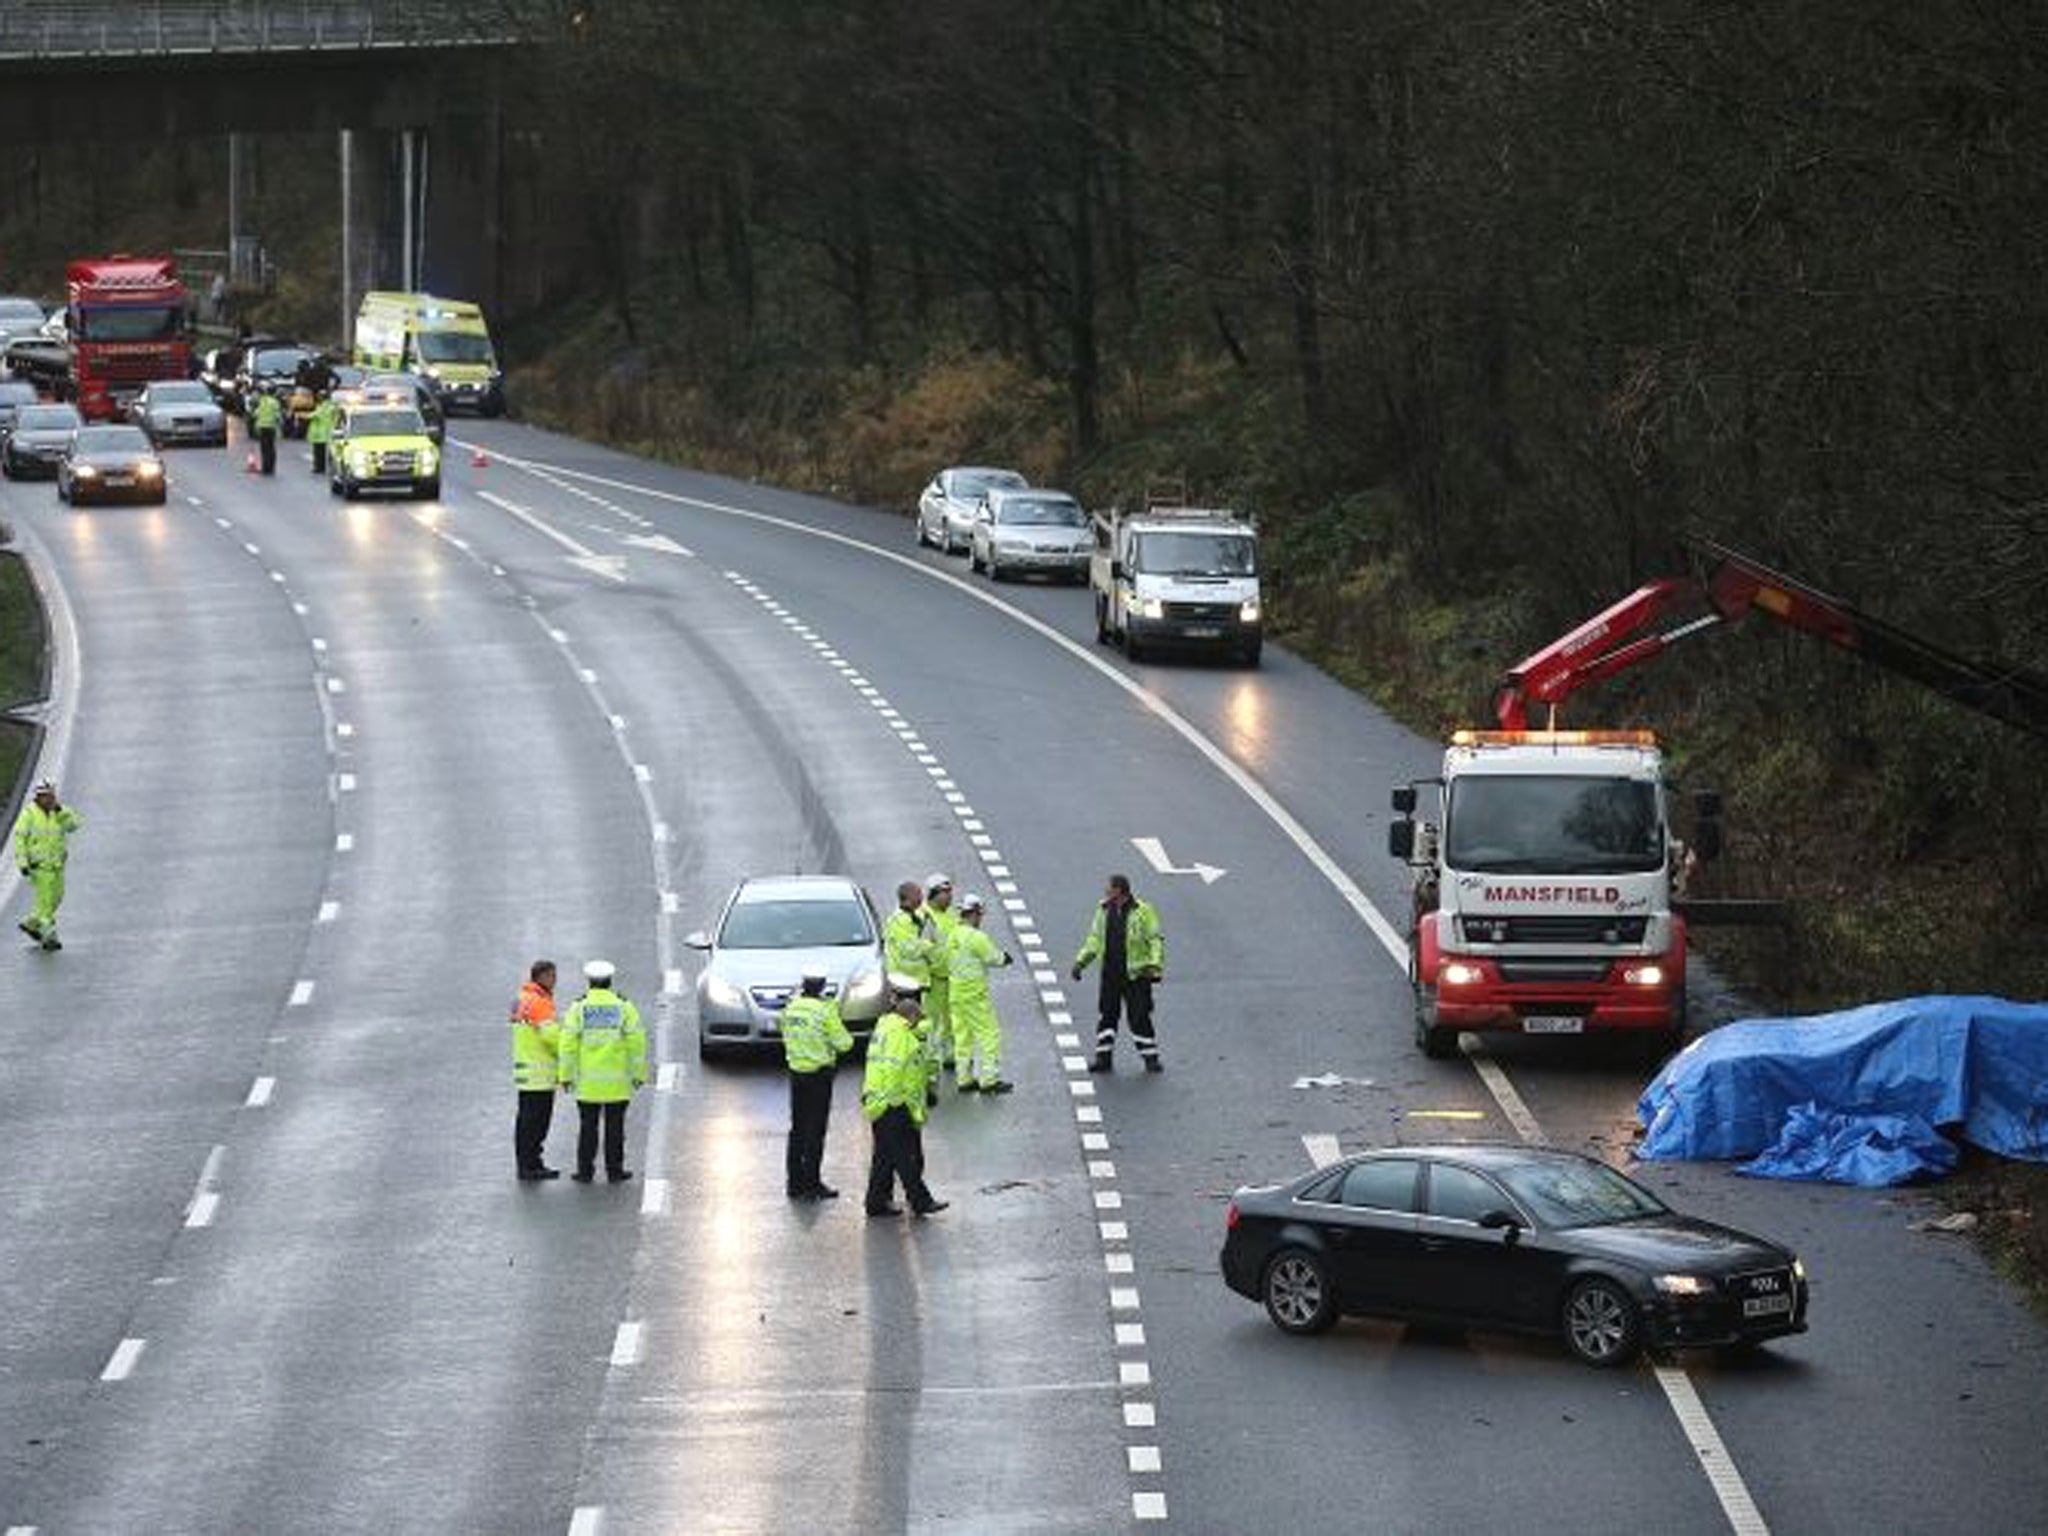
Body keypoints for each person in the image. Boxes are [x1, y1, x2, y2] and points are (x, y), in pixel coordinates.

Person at [862, 975, 947, 1218]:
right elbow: (896, 1070)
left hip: (880, 1101)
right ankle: (921, 1201)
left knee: (884, 1157)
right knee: (906, 1158)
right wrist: (900, 1104)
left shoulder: (887, 1026)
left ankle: (876, 1202)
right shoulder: (901, 1035)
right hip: (893, 1103)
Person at [558, 959, 646, 1183]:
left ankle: (585, 1171)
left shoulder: (579, 1007)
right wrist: (638, 1075)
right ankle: (615, 1171)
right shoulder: (624, 1006)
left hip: (588, 1084)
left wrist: (565, 1076)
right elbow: (637, 1043)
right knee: (615, 1128)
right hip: (617, 1084)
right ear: (610, 981)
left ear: (589, 981)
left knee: (588, 1128)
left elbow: (567, 1044)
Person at [1072, 873, 1166, 1073]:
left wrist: (1154, 965)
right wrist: (1081, 962)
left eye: (1109, 888)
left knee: (1139, 1016)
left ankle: (1150, 1058)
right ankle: (1103, 1058)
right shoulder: (1103, 909)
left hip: (1136, 975)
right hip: (1110, 974)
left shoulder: (1143, 911)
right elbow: (1095, 939)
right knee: (1107, 1015)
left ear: (1119, 890)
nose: (1105, 891)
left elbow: (1155, 939)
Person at [782, 967, 854, 1200]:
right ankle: (812, 1183)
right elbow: (845, 1044)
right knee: (815, 1131)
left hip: (796, 1073)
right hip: (819, 1077)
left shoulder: (791, 1008)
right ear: (822, 986)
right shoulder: (825, 1012)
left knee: (797, 1130)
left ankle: (794, 1184)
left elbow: (785, 1035)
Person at [947, 893, 1013, 1093]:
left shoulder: (954, 934)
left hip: (956, 994)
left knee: (962, 1038)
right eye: (979, 915)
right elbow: (993, 958)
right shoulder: (976, 937)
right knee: (989, 1035)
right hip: (975, 995)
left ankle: (964, 1079)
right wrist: (1005, 958)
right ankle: (989, 1080)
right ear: (974, 914)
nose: (980, 919)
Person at [14, 779, 81, 952]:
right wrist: (22, 863)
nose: (49, 799)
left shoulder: (58, 813)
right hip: (39, 867)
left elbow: (74, 825)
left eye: (51, 796)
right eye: (45, 796)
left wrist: (61, 812)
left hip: (57, 865)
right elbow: (19, 839)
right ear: (38, 796)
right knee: (45, 904)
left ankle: (31, 923)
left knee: (56, 898)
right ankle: (49, 938)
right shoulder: (28, 814)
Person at [511, 960, 561, 1181]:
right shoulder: (540, 1003)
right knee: (537, 1123)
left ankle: (527, 1163)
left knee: (526, 1122)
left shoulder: (520, 998)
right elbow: (552, 1038)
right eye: (551, 976)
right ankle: (531, 1165)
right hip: (539, 1072)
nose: (555, 980)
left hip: (526, 1070)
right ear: (540, 977)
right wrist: (572, 1051)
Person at [918, 874, 959, 1072]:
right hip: (933, 979)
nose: (949, 898)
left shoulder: (950, 916)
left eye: (950, 893)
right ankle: (931, 1059)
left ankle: (950, 1055)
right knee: (932, 1021)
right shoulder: (925, 917)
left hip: (951, 977)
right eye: (945, 893)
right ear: (933, 894)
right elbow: (923, 949)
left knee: (952, 1020)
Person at [883, 880, 932, 993]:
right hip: (904, 981)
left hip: (912, 979)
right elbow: (910, 949)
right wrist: (930, 946)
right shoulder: (900, 921)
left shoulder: (911, 915)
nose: (922, 897)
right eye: (918, 894)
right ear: (909, 897)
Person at [306, 392, 338, 476]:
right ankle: (321, 467)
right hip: (325, 431)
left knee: (318, 451)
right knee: (321, 451)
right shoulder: (330, 406)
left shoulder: (324, 406)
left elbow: (316, 415)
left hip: (320, 432)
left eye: (320, 397)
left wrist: (304, 415)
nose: (318, 398)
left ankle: (319, 467)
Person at [251, 387, 282, 475]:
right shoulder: (275, 402)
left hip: (262, 427)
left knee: (264, 449)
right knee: (271, 448)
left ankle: (265, 468)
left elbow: (255, 414)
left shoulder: (262, 401)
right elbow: (277, 416)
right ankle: (271, 469)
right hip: (271, 427)